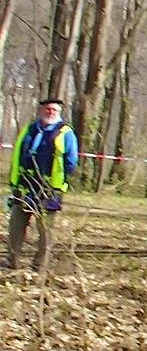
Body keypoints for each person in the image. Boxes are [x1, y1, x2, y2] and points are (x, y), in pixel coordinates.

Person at [4, 98, 79, 271]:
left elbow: (71, 162)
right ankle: (12, 262)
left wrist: (58, 184)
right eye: (47, 109)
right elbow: (17, 155)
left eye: (54, 110)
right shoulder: (29, 129)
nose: (50, 112)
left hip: (49, 190)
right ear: (41, 110)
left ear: (59, 113)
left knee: (45, 230)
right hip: (24, 187)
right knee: (15, 226)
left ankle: (40, 266)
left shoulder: (65, 133)